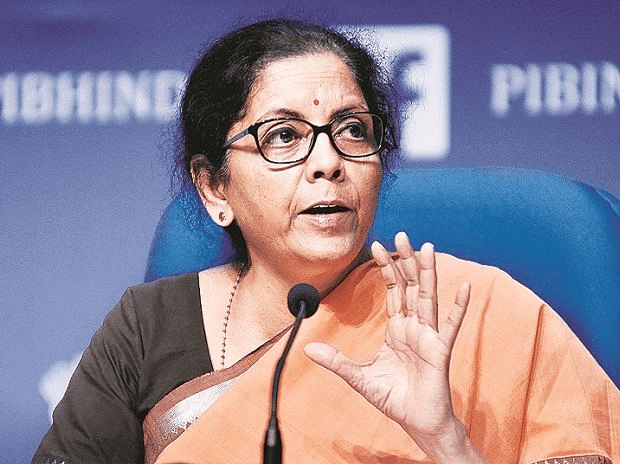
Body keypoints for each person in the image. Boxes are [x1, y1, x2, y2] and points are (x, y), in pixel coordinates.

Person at [33, 18, 619, 464]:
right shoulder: (147, 328)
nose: (328, 162)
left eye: (352, 130)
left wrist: (446, 441)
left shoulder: (482, 312)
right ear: (214, 188)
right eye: (283, 136)